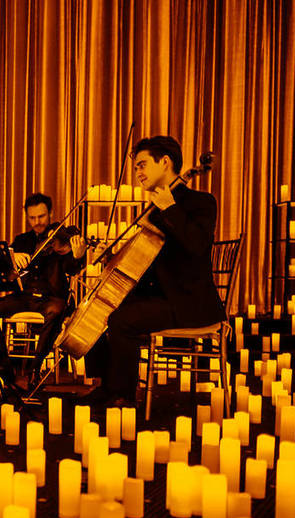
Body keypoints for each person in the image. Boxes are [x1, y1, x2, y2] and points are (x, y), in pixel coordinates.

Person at [92, 135, 225, 407]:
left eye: (142, 165)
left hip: (189, 302)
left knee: (122, 321)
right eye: (136, 167)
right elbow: (147, 261)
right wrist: (113, 259)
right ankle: (106, 386)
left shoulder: (202, 202)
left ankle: (122, 395)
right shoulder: (153, 211)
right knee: (101, 308)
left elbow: (197, 245)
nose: (137, 173)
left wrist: (171, 208)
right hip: (160, 296)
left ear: (165, 162)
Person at [0, 192, 86, 390]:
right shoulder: (22, 240)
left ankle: (34, 369)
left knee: (56, 310)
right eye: (32, 217)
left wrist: (78, 256)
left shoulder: (61, 238)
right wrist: (13, 257)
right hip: (24, 297)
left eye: (41, 216)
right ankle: (4, 369)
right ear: (27, 217)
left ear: (50, 213)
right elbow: (7, 272)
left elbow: (71, 269)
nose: (37, 222)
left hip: (51, 298)